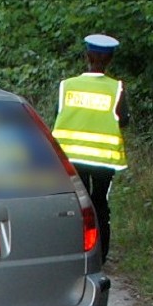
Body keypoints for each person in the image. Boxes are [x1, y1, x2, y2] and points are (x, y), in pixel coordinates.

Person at [52, 34, 129, 263]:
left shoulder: (67, 86)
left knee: (77, 204)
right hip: (103, 159)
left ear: (87, 56)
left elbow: (59, 114)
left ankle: (76, 251)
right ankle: (100, 255)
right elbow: (123, 120)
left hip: (71, 157)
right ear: (110, 60)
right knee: (99, 204)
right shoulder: (116, 88)